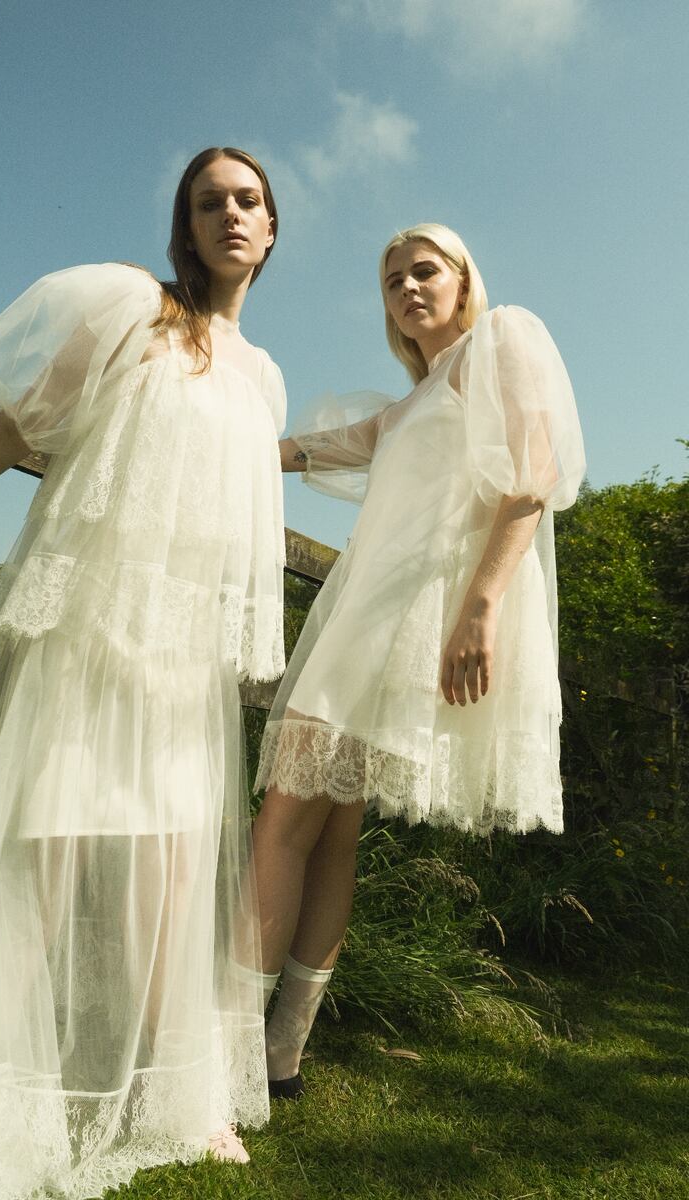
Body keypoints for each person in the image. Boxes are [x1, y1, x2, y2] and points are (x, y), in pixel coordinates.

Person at [0, 146, 286, 1196]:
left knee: (168, 876)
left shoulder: (264, 377)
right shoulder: (133, 312)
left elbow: (243, 528)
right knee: (48, 850)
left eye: (247, 200)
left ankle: (177, 1096)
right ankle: (4, 1099)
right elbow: (16, 424)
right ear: (185, 226)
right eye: (209, 201)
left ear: (272, 227)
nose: (230, 214)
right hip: (90, 626)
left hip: (179, 657)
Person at [251, 223, 586, 1098]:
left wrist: (482, 606)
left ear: (466, 277)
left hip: (419, 618)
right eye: (391, 278)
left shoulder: (502, 343)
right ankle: (278, 1055)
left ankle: (226, 1046)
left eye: (424, 269)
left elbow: (534, 477)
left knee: (287, 814)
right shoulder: (413, 403)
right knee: (326, 830)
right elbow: (304, 451)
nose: (406, 286)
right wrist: (200, 435)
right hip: (366, 614)